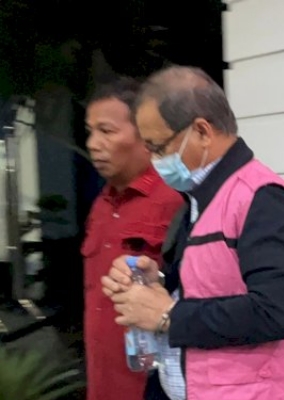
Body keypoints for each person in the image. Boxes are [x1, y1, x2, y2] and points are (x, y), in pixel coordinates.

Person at [99, 66, 284, 399]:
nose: (154, 160)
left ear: (202, 131)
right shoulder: (198, 201)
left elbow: (276, 311)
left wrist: (168, 314)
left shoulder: (262, 198)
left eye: (158, 147)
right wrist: (157, 282)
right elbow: (209, 286)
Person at [82, 77, 183, 400]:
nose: (93, 143)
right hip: (103, 384)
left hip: (152, 387)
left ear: (145, 133)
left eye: (107, 131)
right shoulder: (101, 204)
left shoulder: (176, 200)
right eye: (90, 131)